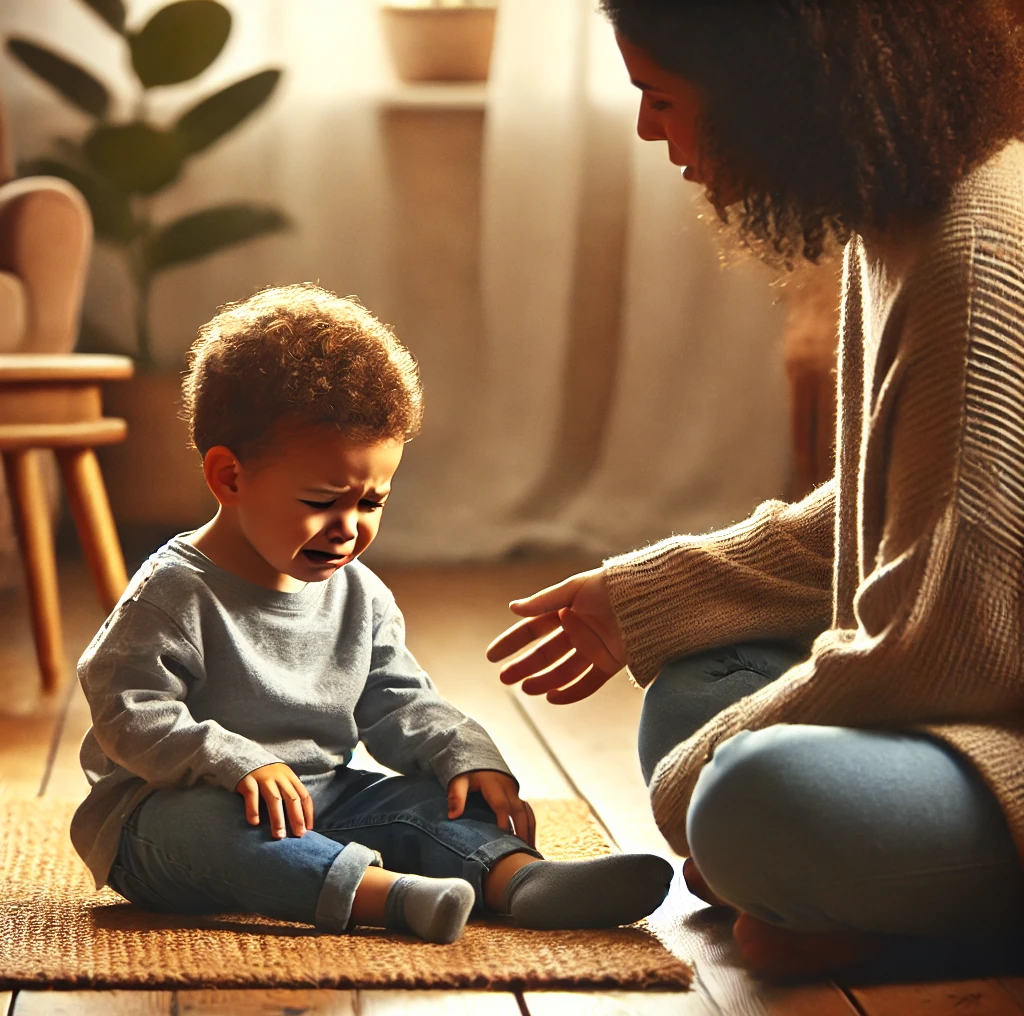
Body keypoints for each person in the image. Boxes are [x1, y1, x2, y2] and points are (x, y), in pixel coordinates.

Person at [487, 0, 1024, 977]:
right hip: (971, 690)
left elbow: (941, 650)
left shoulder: (970, 257)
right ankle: (843, 898)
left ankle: (954, 927)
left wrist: (695, 794)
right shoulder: (892, 220)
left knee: (750, 797)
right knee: (692, 686)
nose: (647, 127)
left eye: (660, 97)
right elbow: (890, 514)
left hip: (990, 711)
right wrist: (646, 597)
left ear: (775, 95)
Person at [69, 283, 673, 945]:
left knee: (426, 801)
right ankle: (384, 897)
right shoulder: (173, 593)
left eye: (371, 503)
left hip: (324, 802)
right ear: (230, 478)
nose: (348, 528)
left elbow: (398, 700)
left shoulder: (358, 594)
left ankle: (517, 880)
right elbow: (129, 711)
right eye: (323, 500)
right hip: (172, 811)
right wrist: (235, 761)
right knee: (200, 829)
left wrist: (465, 757)